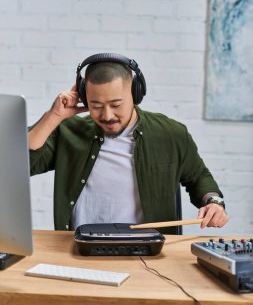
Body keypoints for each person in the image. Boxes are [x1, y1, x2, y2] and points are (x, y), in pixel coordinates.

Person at [29, 53, 229, 234]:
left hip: (147, 253)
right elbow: (22, 163)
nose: (107, 115)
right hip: (79, 245)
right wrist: (54, 116)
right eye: (95, 106)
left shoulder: (171, 134)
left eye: (116, 105)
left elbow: (199, 178)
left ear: (135, 93)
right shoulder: (69, 132)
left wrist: (214, 202)